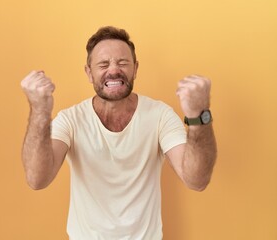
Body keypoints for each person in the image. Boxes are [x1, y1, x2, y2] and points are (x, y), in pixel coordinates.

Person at [20, 26, 217, 240]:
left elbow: (197, 180)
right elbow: (37, 179)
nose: (114, 70)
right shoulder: (71, 119)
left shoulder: (159, 115)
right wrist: (40, 112)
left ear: (135, 69)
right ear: (88, 72)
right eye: (103, 64)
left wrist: (199, 117)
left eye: (123, 63)